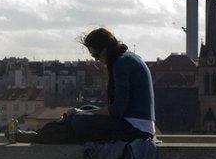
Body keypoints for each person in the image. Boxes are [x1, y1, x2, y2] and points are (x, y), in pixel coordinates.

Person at [14, 27, 155, 144]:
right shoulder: (126, 58)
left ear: (105, 50)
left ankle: (38, 137)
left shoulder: (121, 64)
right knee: (84, 109)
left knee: (80, 121)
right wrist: (84, 112)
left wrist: (82, 114)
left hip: (137, 131)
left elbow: (117, 110)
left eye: (97, 56)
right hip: (133, 124)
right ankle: (39, 135)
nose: (98, 60)